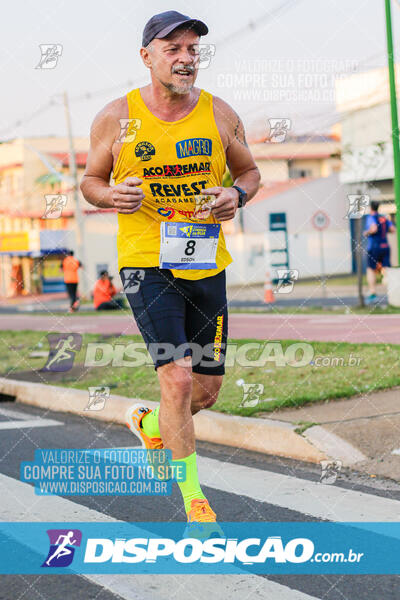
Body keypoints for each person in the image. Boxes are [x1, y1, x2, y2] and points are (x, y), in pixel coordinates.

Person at [80, 10, 260, 532]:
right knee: (177, 379)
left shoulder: (220, 113)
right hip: (145, 261)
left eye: (192, 50)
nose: (185, 59)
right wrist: (110, 194)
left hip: (205, 260)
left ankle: (149, 422)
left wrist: (236, 193)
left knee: (203, 391)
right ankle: (195, 499)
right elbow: (90, 181)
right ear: (147, 56)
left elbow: (248, 172)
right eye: (172, 48)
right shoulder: (116, 117)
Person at [363, 200, 396, 304]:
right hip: (385, 246)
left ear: (371, 208)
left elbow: (373, 229)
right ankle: (393, 292)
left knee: (370, 269)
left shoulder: (371, 217)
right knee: (387, 269)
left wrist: (366, 232)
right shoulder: (384, 218)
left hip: (374, 247)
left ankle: (372, 292)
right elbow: (393, 230)